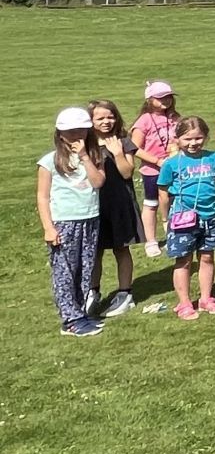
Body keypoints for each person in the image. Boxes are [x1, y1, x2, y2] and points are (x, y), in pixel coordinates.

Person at [38, 107, 106, 337]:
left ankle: (79, 311)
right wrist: (48, 226)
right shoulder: (49, 161)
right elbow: (43, 196)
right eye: (70, 131)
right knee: (65, 271)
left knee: (85, 269)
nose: (76, 135)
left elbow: (98, 183)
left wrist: (86, 157)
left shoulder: (95, 157)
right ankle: (70, 318)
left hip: (89, 218)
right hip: (64, 222)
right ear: (60, 134)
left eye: (81, 130)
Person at [155, 117, 215, 322]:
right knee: (184, 260)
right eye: (187, 139)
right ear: (177, 139)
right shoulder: (171, 164)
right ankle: (185, 302)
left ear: (205, 137)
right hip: (182, 219)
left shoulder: (214, 158)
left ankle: (206, 298)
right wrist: (164, 218)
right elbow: (162, 193)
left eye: (198, 138)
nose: (193, 143)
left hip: (210, 216)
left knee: (207, 257)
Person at [86, 101, 141, 318]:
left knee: (121, 248)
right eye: (100, 118)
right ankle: (92, 290)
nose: (106, 122)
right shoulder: (85, 145)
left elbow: (128, 173)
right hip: (93, 205)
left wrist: (117, 153)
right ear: (90, 121)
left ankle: (125, 293)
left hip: (119, 203)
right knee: (95, 250)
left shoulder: (124, 142)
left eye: (110, 117)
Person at [131, 79, 180, 257]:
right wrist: (157, 161)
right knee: (152, 203)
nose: (165, 101)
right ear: (149, 100)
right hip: (152, 170)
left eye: (168, 97)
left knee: (174, 202)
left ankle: (173, 235)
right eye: (160, 98)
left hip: (174, 168)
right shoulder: (144, 120)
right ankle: (151, 240)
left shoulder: (175, 118)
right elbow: (134, 147)